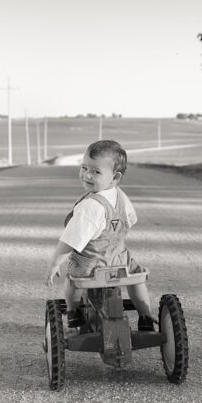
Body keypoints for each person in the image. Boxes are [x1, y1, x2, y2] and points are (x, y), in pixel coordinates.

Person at [45, 139, 157, 331]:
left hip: (91, 266)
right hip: (120, 260)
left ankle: (74, 313)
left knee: (72, 281)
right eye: (84, 167)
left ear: (115, 177)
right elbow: (131, 219)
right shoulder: (120, 196)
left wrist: (55, 263)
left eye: (96, 171)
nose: (87, 175)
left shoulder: (90, 207)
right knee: (136, 278)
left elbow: (69, 241)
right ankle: (145, 315)